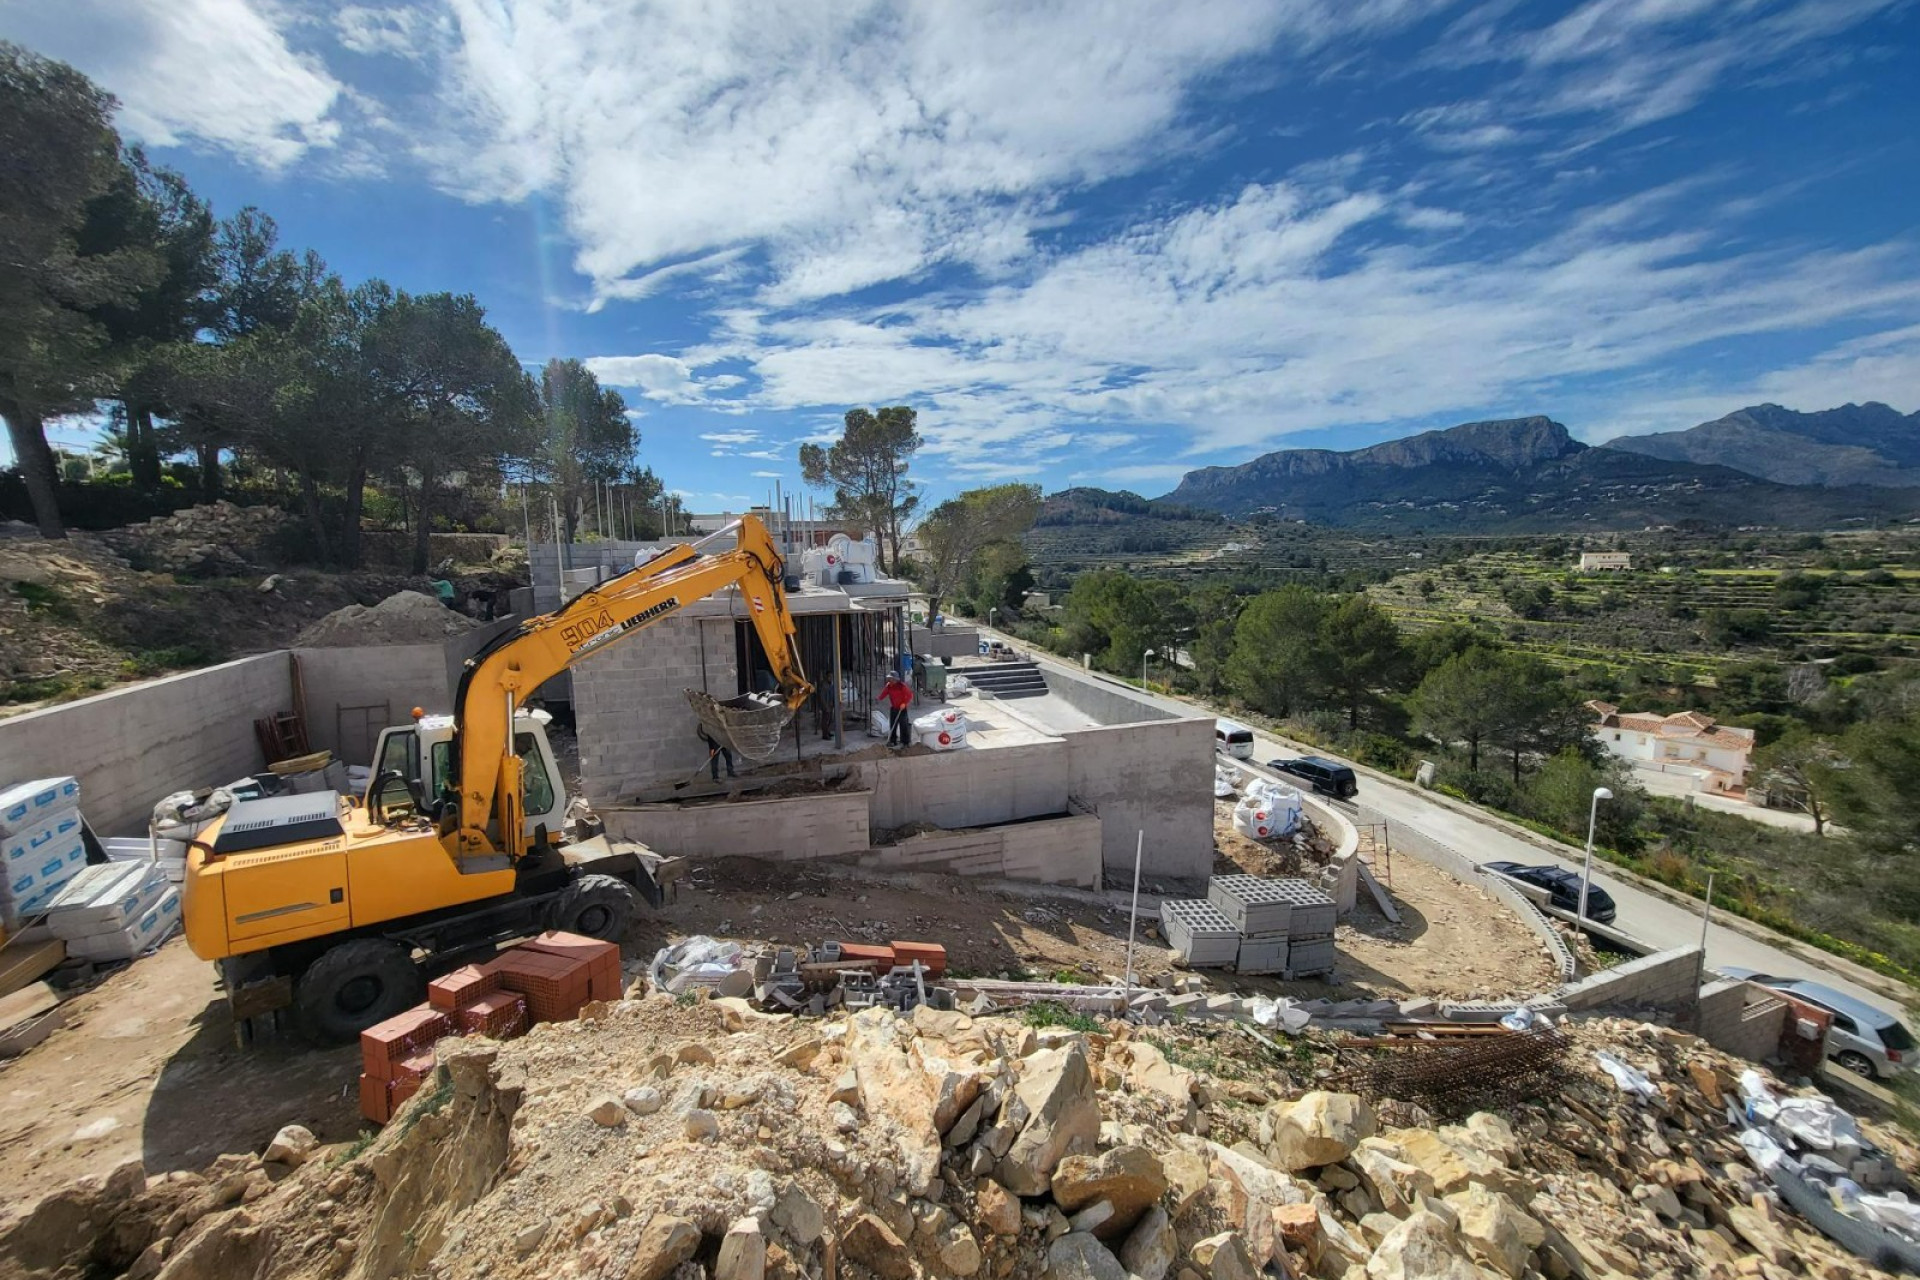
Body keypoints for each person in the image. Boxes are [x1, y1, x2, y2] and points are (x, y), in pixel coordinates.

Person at [881, 670, 914, 749]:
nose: (890, 681)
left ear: (896, 679)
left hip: (902, 709)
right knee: (893, 725)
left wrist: (904, 703)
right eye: (889, 679)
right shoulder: (888, 686)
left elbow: (910, 696)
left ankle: (905, 742)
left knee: (904, 725)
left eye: (892, 679)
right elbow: (883, 694)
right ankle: (893, 741)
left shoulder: (902, 686)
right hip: (894, 708)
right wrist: (878, 699)